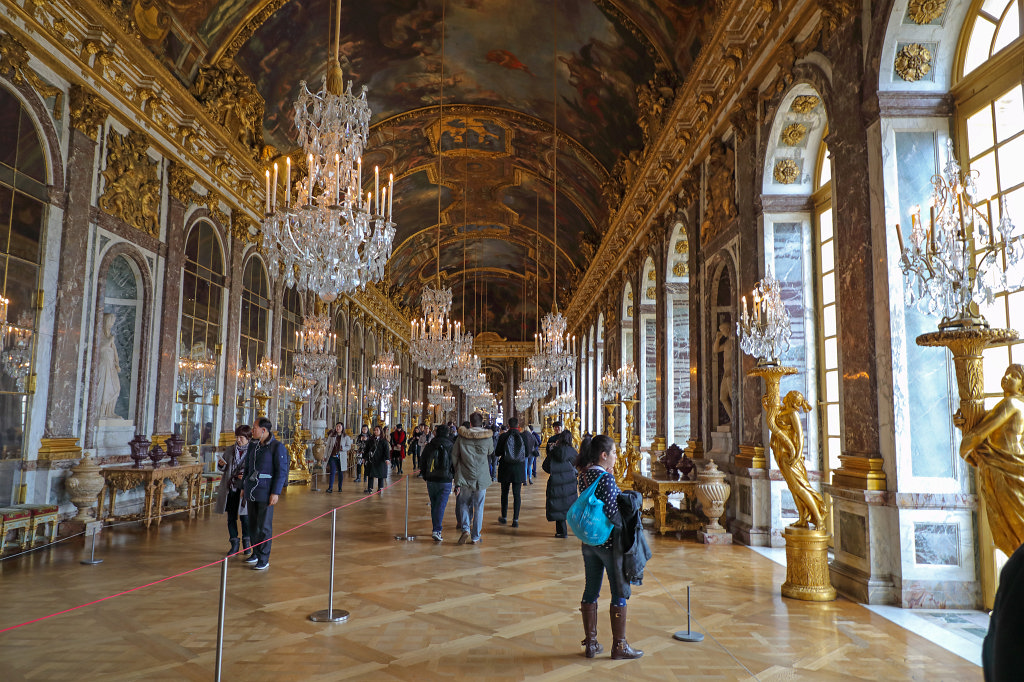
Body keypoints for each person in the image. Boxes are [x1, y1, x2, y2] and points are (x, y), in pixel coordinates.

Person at [575, 434, 643, 659]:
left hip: (589, 541)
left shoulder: (584, 475)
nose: (616, 456)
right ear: (604, 455)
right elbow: (614, 513)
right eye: (614, 452)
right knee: (618, 591)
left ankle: (591, 644)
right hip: (609, 544)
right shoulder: (605, 479)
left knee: (591, 588)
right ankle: (619, 646)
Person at [242, 417, 289, 571]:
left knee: (264, 527)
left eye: (254, 427)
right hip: (251, 490)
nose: (252, 430)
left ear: (264, 430)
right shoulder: (253, 446)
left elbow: (281, 472)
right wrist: (244, 486)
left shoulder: (277, 447)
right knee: (253, 524)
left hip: (266, 491)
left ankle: (264, 557)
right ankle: (255, 553)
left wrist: (276, 492)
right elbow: (248, 467)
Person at [453, 412, 494, 544]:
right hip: (481, 476)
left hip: (465, 475)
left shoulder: (462, 437)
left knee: (464, 503)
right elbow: (490, 452)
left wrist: (457, 470)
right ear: (481, 423)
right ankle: (475, 536)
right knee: (479, 506)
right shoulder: (487, 437)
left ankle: (465, 528)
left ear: (470, 423)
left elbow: (454, 455)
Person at [214, 424, 251, 556]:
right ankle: (234, 543)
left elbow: (255, 470)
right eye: (237, 437)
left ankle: (247, 543)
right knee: (231, 518)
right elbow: (223, 468)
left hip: (244, 489)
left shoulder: (253, 451)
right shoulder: (230, 450)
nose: (238, 440)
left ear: (248, 438)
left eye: (241, 437)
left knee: (245, 518)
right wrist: (221, 465)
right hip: (230, 488)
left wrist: (245, 475)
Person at [420, 424, 455, 541]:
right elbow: (454, 463)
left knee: (434, 504)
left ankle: (435, 528)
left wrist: (425, 475)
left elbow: (423, 461)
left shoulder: (430, 445)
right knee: (440, 505)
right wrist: (454, 477)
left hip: (431, 479)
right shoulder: (451, 446)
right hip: (445, 479)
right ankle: (437, 530)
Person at [544, 429, 578, 538]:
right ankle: (574, 529)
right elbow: (578, 465)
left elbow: (546, 467)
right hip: (570, 482)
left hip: (556, 481)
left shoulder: (554, 451)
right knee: (568, 504)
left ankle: (561, 532)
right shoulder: (573, 452)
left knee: (558, 505)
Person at [495, 417, 528, 527]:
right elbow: (527, 453)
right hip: (518, 469)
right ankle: (515, 520)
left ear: (508, 425)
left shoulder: (503, 436)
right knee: (517, 494)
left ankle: (504, 517)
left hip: (505, 468)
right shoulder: (523, 436)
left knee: (504, 494)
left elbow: (497, 452)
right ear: (518, 424)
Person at [324, 422, 351, 493]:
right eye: (337, 426)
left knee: (340, 472)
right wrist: (325, 456)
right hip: (332, 456)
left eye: (339, 426)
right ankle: (330, 488)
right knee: (332, 472)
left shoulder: (346, 437)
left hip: (341, 457)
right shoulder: (331, 436)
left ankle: (340, 487)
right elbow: (327, 446)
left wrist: (343, 448)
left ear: (342, 428)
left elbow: (349, 446)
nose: (337, 428)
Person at [362, 425, 390, 494]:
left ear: (380, 431)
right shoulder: (371, 440)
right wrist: (364, 458)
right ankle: (370, 488)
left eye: (377, 430)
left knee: (380, 474)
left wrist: (387, 459)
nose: (375, 431)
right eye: (374, 430)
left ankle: (380, 488)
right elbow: (366, 450)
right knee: (371, 474)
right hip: (372, 459)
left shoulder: (384, 441)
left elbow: (386, 451)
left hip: (380, 460)